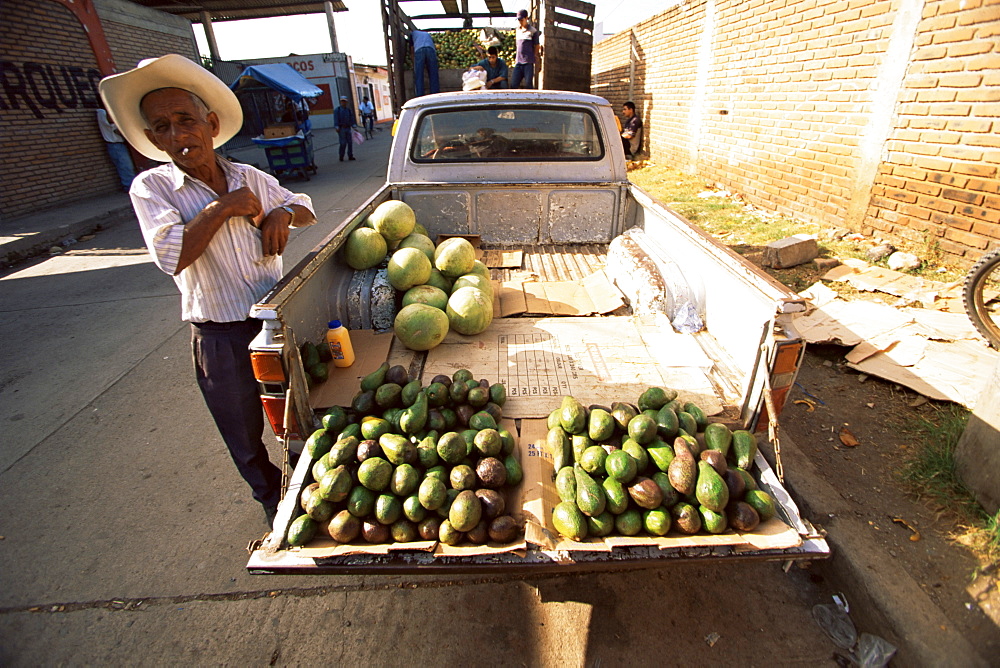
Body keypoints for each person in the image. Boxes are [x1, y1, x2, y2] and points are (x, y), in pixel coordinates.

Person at [98, 55, 317, 527]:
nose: (177, 136)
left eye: (185, 121)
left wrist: (282, 213)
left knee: (302, 411)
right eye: (162, 127)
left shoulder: (251, 177)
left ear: (211, 124)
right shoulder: (152, 189)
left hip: (274, 324)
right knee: (242, 431)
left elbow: (302, 204)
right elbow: (171, 255)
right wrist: (223, 208)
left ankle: (309, 480)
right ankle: (271, 503)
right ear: (153, 139)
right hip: (217, 334)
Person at [96, 102, 136, 191]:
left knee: (125, 166)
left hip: (117, 145)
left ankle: (129, 186)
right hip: (116, 145)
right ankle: (129, 187)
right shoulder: (103, 113)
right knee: (126, 166)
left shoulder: (102, 113)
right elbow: (116, 129)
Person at [510, 9, 542, 89]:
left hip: (528, 62)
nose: (520, 21)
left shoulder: (533, 31)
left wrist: (535, 55)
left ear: (526, 18)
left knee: (528, 84)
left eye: (522, 19)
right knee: (514, 84)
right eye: (519, 20)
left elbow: (537, 45)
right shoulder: (517, 30)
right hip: (518, 61)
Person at [411, 28, 440, 97]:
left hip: (419, 50)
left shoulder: (412, 33)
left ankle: (420, 95)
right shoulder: (427, 34)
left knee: (419, 74)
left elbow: (412, 48)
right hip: (431, 49)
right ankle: (435, 94)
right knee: (433, 73)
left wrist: (413, 60)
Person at [334, 95, 357, 161]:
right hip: (341, 129)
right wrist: (337, 127)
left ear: (346, 102)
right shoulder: (337, 110)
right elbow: (336, 119)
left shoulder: (348, 110)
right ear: (340, 102)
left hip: (348, 128)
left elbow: (351, 118)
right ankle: (341, 155)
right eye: (342, 101)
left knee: (350, 142)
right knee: (343, 143)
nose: (343, 103)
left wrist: (354, 126)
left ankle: (350, 155)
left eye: (344, 101)